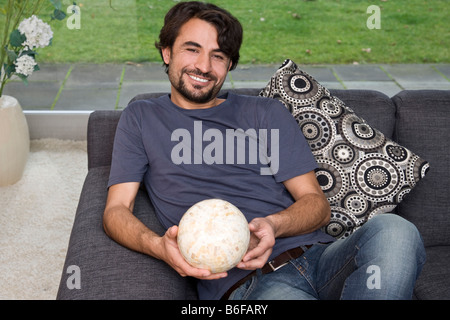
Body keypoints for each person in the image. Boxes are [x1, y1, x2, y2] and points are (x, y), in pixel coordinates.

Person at [103, 1, 425, 300]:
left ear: (229, 64)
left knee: (396, 231)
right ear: (167, 53)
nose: (204, 66)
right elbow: (116, 210)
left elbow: (317, 206)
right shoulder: (141, 118)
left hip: (321, 257)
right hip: (250, 285)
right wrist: (159, 246)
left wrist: (273, 225)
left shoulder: (264, 112)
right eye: (192, 49)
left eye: (218, 55)